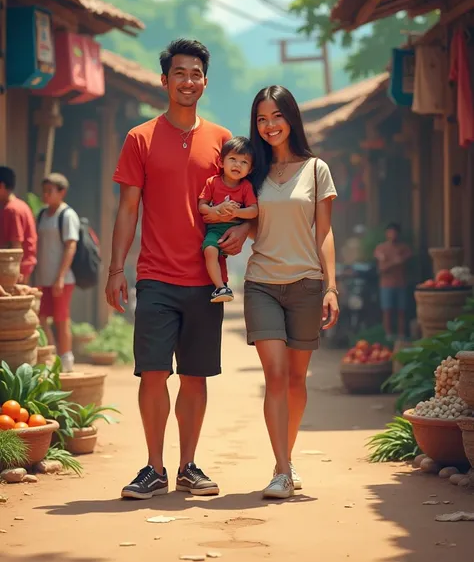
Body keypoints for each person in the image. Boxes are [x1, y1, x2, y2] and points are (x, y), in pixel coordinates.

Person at [106, 39, 249, 501]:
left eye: (196, 74)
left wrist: (242, 235)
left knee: (194, 375)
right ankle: (153, 467)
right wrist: (115, 269)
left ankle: (188, 465)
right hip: (155, 276)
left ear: (205, 82)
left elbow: (248, 203)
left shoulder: (224, 141)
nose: (188, 81)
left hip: (207, 279)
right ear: (164, 80)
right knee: (152, 372)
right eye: (180, 73)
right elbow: (128, 209)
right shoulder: (139, 138)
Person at [244, 85, 339, 499]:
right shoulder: (252, 171)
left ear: (291, 118)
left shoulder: (316, 169)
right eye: (262, 119)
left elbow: (325, 231)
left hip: (306, 284)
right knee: (276, 375)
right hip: (261, 282)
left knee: (297, 379)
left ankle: (287, 457)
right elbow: (246, 220)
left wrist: (331, 286)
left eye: (276, 117)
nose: (269, 126)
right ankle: (281, 470)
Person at [199, 136, 258, 303]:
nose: (237, 165)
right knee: (209, 250)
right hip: (215, 229)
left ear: (250, 169)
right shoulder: (213, 182)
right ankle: (220, 288)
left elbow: (254, 211)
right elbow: (201, 206)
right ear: (221, 162)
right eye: (232, 159)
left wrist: (236, 214)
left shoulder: (246, 187)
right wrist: (215, 210)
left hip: (234, 229)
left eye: (244, 162)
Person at [36, 173, 80, 373]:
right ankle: (52, 356)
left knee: (61, 319)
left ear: (62, 192)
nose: (45, 195)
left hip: (62, 278)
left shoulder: (67, 215)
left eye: (50, 191)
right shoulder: (42, 214)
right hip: (43, 277)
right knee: (41, 317)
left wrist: (60, 277)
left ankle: (66, 358)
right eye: (44, 191)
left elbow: (71, 246)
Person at [374, 222, 412, 341]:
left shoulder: (404, 248)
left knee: (402, 310)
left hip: (401, 283)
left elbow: (406, 259)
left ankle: (401, 334)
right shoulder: (381, 248)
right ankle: (388, 334)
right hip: (386, 284)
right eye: (390, 232)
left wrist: (390, 262)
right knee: (387, 310)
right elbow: (381, 268)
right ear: (386, 233)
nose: (392, 234)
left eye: (395, 232)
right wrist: (394, 262)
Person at [0, 166, 37, 283]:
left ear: (1, 186)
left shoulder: (12, 209)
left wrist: (15, 271)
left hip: (14, 271)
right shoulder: (18, 206)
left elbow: (16, 245)